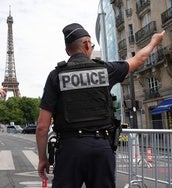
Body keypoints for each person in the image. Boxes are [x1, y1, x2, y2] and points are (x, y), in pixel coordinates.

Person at [36, 23, 165, 188]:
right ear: (87, 44)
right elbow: (138, 59)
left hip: (69, 150)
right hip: (100, 148)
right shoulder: (105, 70)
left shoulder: (56, 76)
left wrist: (42, 159)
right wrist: (154, 41)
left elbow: (42, 126)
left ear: (68, 50)